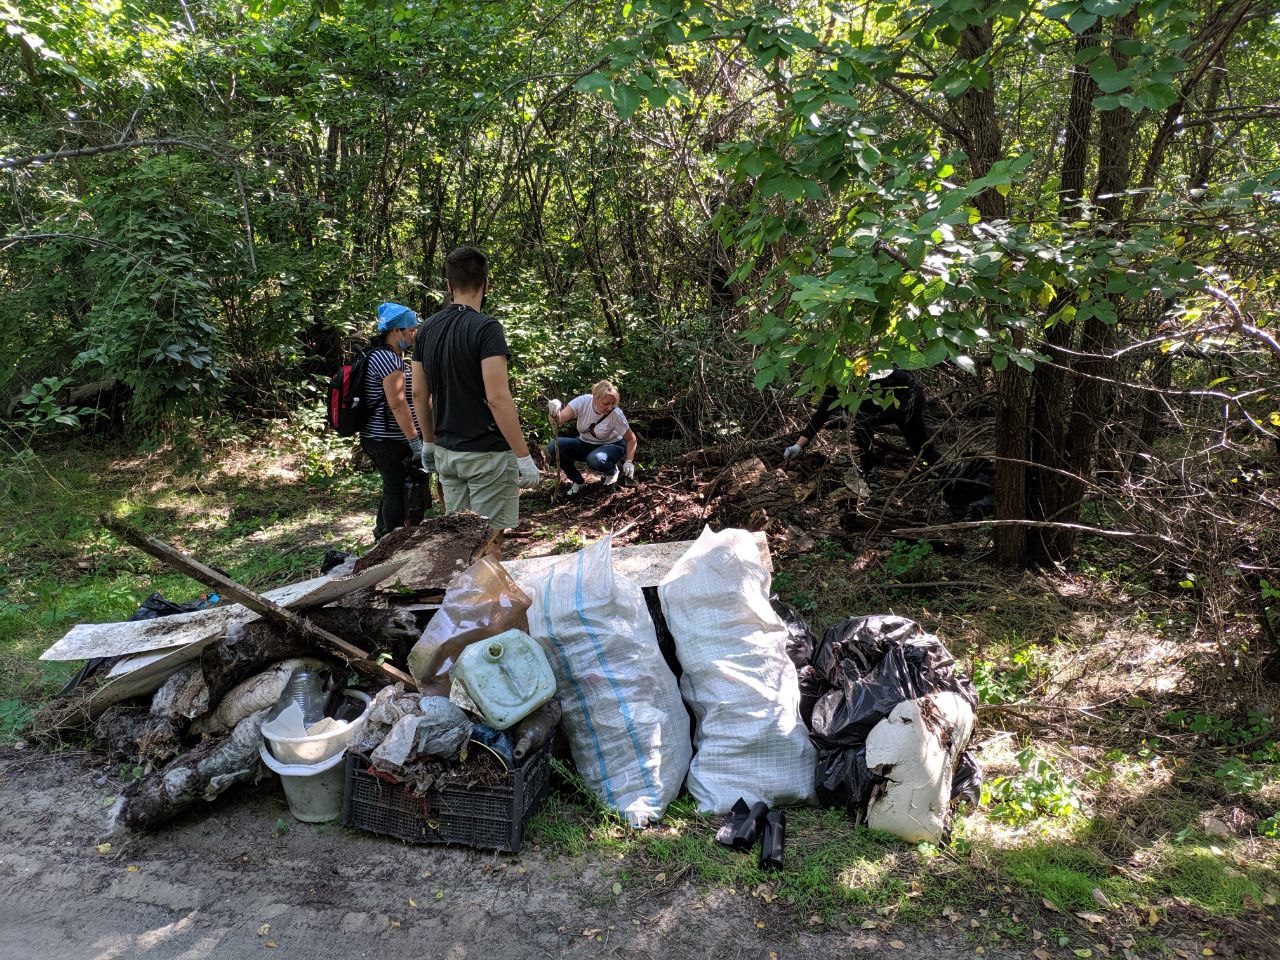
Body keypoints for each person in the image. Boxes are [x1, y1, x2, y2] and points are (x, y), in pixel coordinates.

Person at [411, 246, 539, 554]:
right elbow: (497, 398)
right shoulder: (486, 328)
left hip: (447, 454)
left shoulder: (426, 329)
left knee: (459, 544)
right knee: (487, 544)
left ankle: (465, 600)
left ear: (450, 285)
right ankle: (485, 603)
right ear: (485, 284)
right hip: (487, 457)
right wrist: (523, 456)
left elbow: (418, 393)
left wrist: (428, 442)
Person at [783, 367, 938, 472]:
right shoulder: (832, 392)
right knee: (921, 447)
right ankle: (949, 474)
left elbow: (863, 421)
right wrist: (797, 447)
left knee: (858, 419)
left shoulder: (858, 376)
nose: (826, 383)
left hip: (910, 395)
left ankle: (867, 471)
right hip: (898, 403)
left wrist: (849, 416)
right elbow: (818, 418)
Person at [360, 302, 426, 541]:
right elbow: (397, 403)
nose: (413, 335)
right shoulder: (388, 360)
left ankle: (382, 534)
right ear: (395, 331)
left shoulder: (382, 356)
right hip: (388, 439)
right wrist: (415, 440)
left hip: (381, 437)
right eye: (411, 330)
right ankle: (391, 542)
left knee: (391, 487)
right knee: (396, 490)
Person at [545, 381, 638, 496]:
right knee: (554, 445)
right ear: (595, 398)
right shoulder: (582, 402)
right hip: (585, 443)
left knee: (595, 459)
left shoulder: (616, 414)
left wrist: (629, 462)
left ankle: (612, 471)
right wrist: (554, 410)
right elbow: (557, 420)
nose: (610, 407)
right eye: (606, 403)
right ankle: (577, 481)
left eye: (613, 403)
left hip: (612, 446)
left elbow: (631, 439)